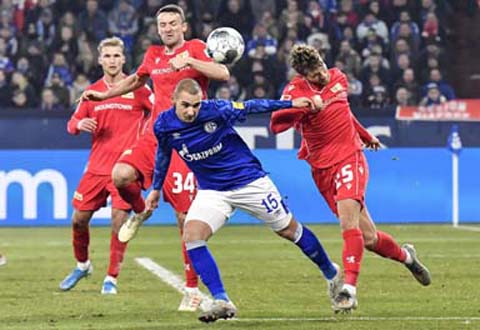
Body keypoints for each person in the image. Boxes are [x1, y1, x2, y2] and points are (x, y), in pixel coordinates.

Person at [145, 78, 342, 323]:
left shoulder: (216, 110)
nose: (191, 111)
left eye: (195, 105)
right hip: (212, 191)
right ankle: (222, 300)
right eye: (185, 105)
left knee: (290, 230)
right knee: (192, 236)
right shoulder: (164, 124)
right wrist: (155, 188)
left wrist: (291, 103)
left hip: (249, 182)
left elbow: (251, 106)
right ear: (173, 100)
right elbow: (163, 153)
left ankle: (331, 273)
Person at [81, 4, 230, 311]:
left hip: (185, 140)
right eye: (163, 24)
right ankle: (141, 210)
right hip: (154, 136)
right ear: (158, 28)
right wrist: (105, 94)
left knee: (184, 219)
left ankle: (192, 289)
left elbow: (223, 73)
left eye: (173, 23)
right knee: (120, 175)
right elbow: (136, 80)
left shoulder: (196, 48)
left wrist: (190, 60)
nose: (168, 28)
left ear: (183, 26)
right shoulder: (153, 55)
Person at [270, 45, 431, 313]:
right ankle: (407, 257)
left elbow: (344, 113)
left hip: (350, 157)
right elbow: (276, 125)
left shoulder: (338, 77)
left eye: (321, 67)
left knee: (347, 223)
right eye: (313, 74)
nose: (321, 75)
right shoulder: (295, 91)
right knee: (368, 238)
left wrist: (365, 136)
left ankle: (349, 290)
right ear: (302, 75)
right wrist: (301, 107)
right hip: (321, 168)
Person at [60, 37, 153, 295]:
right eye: (107, 56)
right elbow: (71, 124)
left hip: (124, 169)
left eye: (116, 56)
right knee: (78, 220)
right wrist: (79, 125)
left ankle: (111, 278)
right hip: (96, 169)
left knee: (118, 221)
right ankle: (83, 265)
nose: (112, 60)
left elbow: (158, 112)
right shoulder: (91, 92)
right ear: (100, 60)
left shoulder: (139, 89)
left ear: (123, 59)